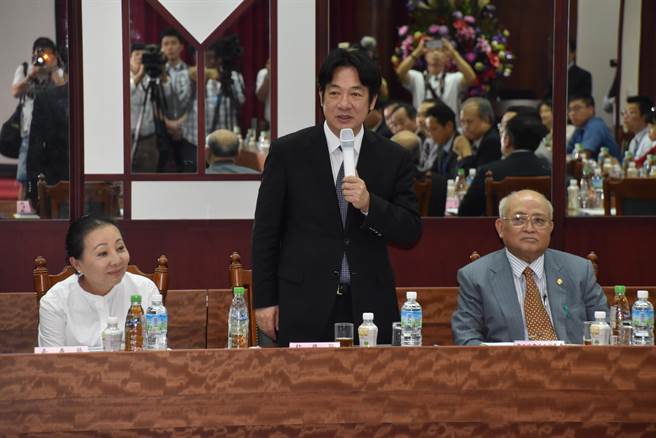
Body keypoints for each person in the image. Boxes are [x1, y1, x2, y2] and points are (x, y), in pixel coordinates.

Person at [252, 48, 422, 347]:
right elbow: (265, 233)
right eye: (334, 93)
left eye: (355, 94)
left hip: (369, 305)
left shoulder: (394, 157)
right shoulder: (288, 153)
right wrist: (265, 301)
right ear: (321, 97)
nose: (344, 104)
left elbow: (410, 232)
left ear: (372, 101)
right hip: (303, 303)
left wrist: (370, 205)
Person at [452, 190, 609, 345]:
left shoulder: (579, 270)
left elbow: (605, 326)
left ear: (551, 228)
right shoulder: (475, 276)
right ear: (500, 227)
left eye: (539, 221)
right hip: (507, 361)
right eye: (519, 219)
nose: (529, 228)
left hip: (571, 360)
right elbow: (466, 338)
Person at [38, 215, 159, 347]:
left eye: (120, 248)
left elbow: (157, 350)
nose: (116, 260)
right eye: (103, 253)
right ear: (77, 264)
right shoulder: (55, 303)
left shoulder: (145, 290)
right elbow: (51, 358)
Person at [458, 114, 550, 216]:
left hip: (496, 226)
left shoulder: (488, 172)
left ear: (506, 140)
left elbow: (465, 212)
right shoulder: (549, 172)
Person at [11, 37, 65, 200]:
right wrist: (30, 77)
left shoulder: (57, 72)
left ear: (54, 55)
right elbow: (15, 92)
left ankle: (47, 207)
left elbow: (64, 89)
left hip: (53, 131)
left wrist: (53, 70)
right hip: (28, 130)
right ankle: (23, 209)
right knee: (24, 176)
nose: (42, 59)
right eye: (39, 54)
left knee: (52, 173)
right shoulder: (25, 69)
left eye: (46, 55)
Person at [395, 37, 476, 125]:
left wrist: (453, 53)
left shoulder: (454, 78)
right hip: (423, 127)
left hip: (448, 127)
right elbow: (400, 73)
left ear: (447, 57)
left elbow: (471, 78)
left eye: (440, 51)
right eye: (431, 51)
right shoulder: (417, 77)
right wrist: (417, 52)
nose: (436, 54)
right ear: (425, 55)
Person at [25, 83, 69, 208]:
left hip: (54, 179)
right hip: (91, 184)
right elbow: (35, 146)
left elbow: (35, 146)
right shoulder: (46, 98)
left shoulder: (46, 97)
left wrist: (32, 191)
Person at [160, 28, 194, 172]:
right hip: (162, 130)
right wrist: (168, 123)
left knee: (187, 171)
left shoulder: (191, 72)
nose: (170, 48)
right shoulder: (156, 73)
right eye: (166, 44)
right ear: (161, 48)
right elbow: (152, 103)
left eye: (173, 43)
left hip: (187, 131)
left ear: (181, 47)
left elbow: (194, 101)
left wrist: (180, 124)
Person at [566, 95, 621, 160]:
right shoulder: (579, 129)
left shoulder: (595, 125)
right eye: (570, 110)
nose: (572, 113)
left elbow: (583, 156)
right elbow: (567, 151)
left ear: (591, 109)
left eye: (577, 108)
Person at [456, 97, 501, 170]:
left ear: (486, 120)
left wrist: (466, 154)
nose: (465, 127)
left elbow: (478, 175)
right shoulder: (468, 140)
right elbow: (457, 173)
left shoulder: (492, 141)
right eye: (462, 122)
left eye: (469, 122)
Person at [423, 102, 458, 177]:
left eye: (434, 129)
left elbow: (455, 178)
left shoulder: (460, 144)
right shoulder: (441, 144)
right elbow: (433, 171)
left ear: (449, 126)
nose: (430, 134)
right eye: (428, 130)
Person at [535, 99, 575, 165]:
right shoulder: (546, 135)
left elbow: (562, 150)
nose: (543, 115)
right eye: (541, 112)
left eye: (546, 111)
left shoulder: (570, 129)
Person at [622, 95, 654, 160]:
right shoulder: (634, 141)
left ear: (645, 117)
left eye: (631, 112)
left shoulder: (650, 140)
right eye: (625, 112)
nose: (625, 117)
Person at [256, 58, 271, 127]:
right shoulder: (263, 73)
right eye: (268, 63)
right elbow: (260, 97)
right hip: (269, 121)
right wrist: (268, 76)